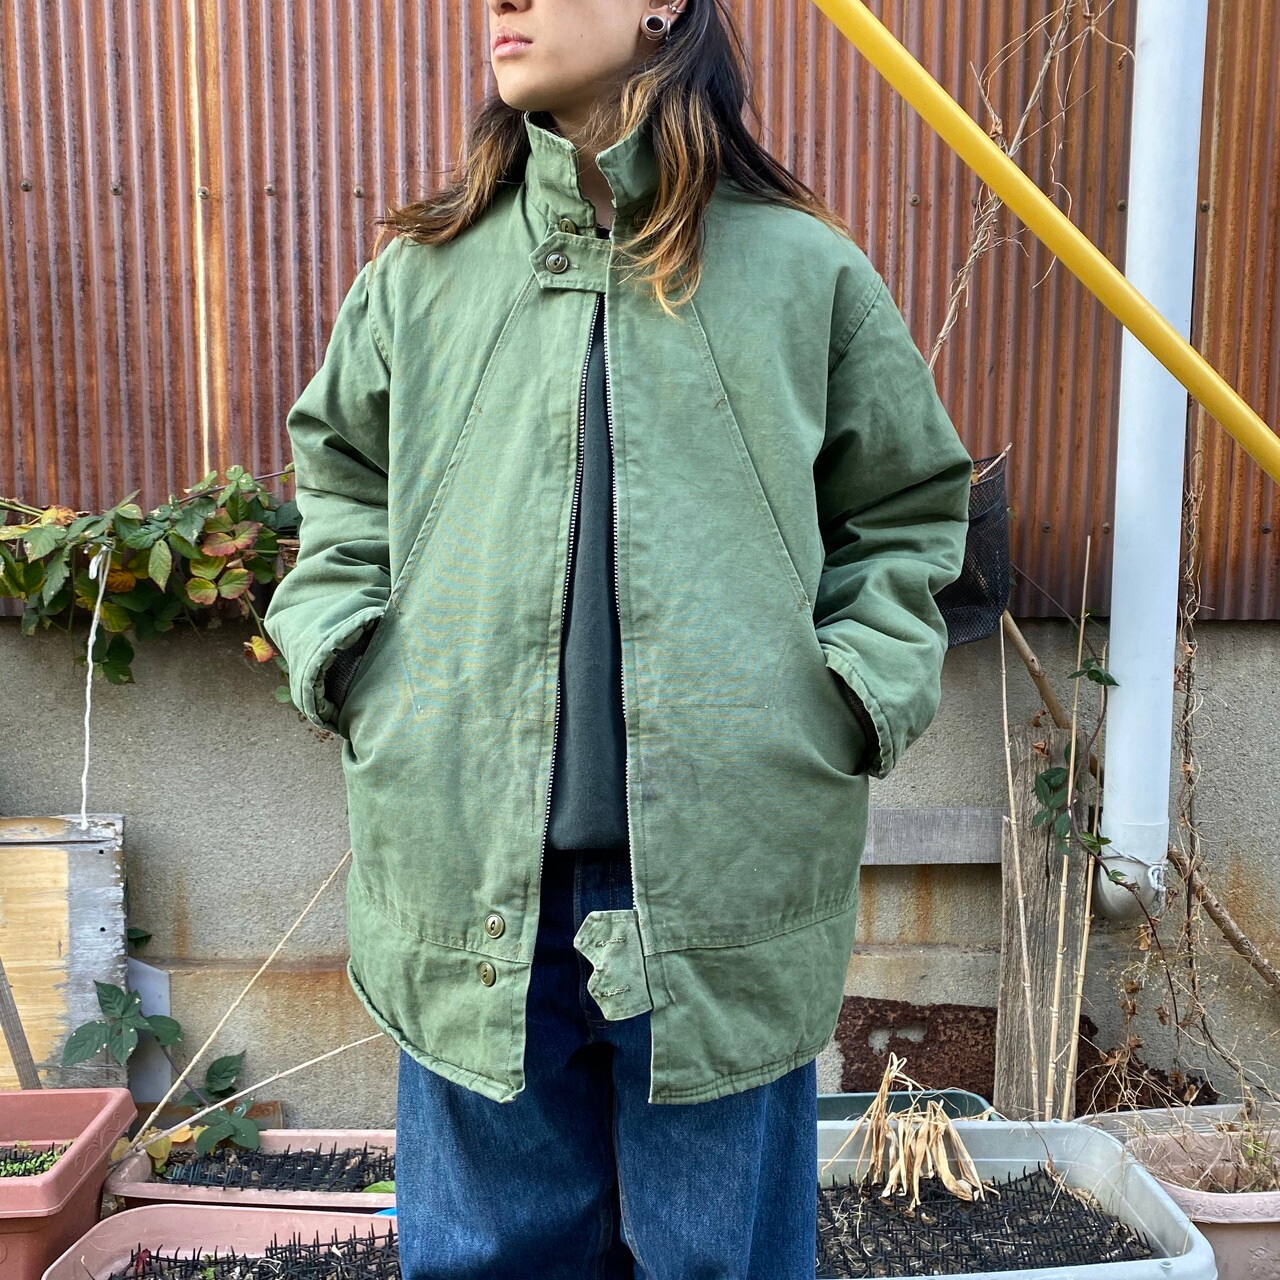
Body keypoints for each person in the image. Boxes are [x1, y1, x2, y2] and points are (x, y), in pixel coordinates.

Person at [263, 0, 974, 1275]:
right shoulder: (423, 273)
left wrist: (843, 695)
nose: (501, 3)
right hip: (466, 865)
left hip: (724, 872)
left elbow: (904, 512)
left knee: (721, 1261)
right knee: (487, 1259)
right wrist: (352, 659)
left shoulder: (800, 273)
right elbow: (341, 485)